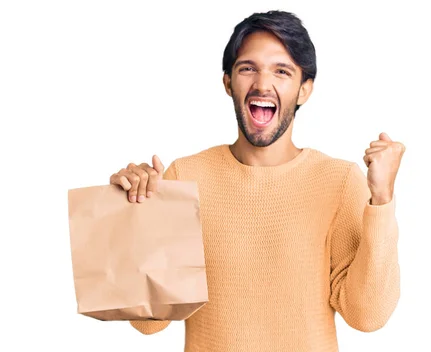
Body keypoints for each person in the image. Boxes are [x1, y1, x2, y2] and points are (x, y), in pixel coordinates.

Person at [109, 10, 406, 352]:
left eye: (282, 71)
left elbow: (367, 316)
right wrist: (136, 212)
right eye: (248, 68)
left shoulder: (338, 181)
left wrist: (382, 200)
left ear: (304, 90)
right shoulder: (184, 177)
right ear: (227, 83)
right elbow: (149, 323)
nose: (263, 84)